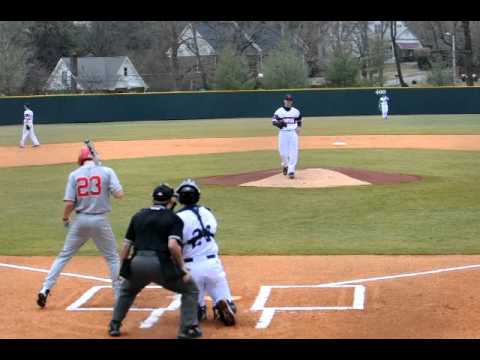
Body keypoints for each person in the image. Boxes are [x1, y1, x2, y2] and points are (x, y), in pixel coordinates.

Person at [108, 183, 201, 339]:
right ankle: (186, 329)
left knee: (127, 291)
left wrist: (123, 269)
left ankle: (114, 325)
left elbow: (126, 246)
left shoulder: (138, 216)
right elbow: (173, 246)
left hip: (137, 264)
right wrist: (182, 268)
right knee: (190, 289)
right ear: (170, 200)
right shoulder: (174, 218)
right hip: (160, 265)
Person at [36, 146, 124, 308]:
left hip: (80, 221)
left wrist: (65, 218)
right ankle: (119, 296)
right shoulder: (107, 171)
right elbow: (119, 194)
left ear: (81, 159)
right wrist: (106, 178)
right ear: (95, 157)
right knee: (112, 258)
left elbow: (70, 203)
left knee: (63, 256)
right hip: (99, 221)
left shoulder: (74, 175)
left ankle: (45, 288)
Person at [175, 179, 237, 326]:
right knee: (222, 294)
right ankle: (223, 303)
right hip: (213, 264)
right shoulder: (208, 213)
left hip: (191, 268)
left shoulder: (177, 218)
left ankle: (199, 309)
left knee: (193, 308)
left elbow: (175, 243)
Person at [271, 94, 302, 179]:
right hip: (283, 133)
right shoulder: (279, 111)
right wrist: (278, 123)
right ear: (284, 101)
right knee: (283, 153)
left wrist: (298, 128)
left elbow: (299, 120)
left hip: (293, 133)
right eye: (287, 100)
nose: (288, 101)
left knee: (293, 152)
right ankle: (285, 165)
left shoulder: (296, 111)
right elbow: (273, 121)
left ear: (292, 101)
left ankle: (291, 171)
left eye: (290, 100)